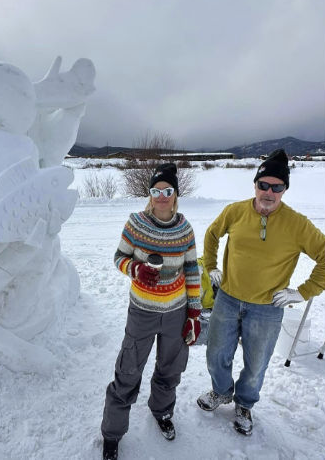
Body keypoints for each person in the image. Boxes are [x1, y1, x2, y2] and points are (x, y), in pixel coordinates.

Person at [196, 149, 325, 436]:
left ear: (284, 189)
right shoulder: (235, 211)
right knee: (217, 353)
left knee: (256, 364)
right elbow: (212, 234)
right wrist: (211, 266)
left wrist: (304, 291)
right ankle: (220, 392)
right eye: (263, 185)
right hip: (228, 299)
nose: (269, 192)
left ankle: (244, 405)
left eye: (276, 187)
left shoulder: (297, 224)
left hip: (267, 308)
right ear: (255, 185)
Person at [101, 163, 201, 460]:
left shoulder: (185, 229)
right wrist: (135, 269)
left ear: (175, 195)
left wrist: (194, 314)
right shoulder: (136, 224)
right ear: (150, 194)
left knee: (170, 370)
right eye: (156, 191)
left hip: (176, 312)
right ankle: (112, 433)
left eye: (167, 191)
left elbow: (193, 270)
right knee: (128, 371)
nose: (161, 196)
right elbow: (119, 257)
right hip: (142, 312)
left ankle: (162, 412)